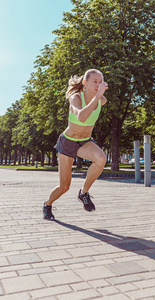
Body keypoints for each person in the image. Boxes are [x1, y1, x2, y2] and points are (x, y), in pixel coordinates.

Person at [43, 69, 108, 220]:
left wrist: (98, 96)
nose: (98, 85)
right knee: (64, 186)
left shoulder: (102, 100)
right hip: (68, 142)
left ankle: (84, 192)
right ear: (85, 83)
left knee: (101, 159)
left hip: (85, 141)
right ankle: (47, 204)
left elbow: (97, 104)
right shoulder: (76, 97)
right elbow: (82, 117)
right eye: (94, 81)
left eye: (100, 82)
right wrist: (97, 96)